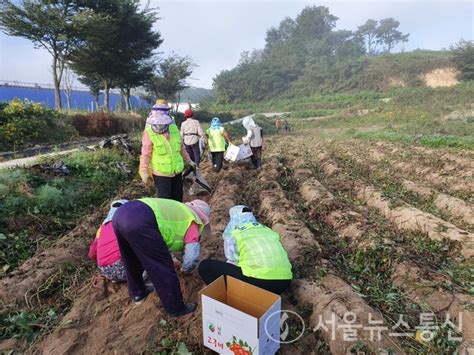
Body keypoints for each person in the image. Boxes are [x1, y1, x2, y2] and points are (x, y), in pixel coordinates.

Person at [112, 198, 211, 317]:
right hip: (140, 220)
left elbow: (163, 235)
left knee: (131, 258)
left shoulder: (177, 209)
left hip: (120, 214)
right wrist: (186, 269)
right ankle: (176, 308)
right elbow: (191, 257)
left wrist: (174, 258)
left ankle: (138, 293)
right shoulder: (192, 221)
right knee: (162, 267)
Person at [198, 205, 292, 295]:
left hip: (260, 282)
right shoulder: (268, 231)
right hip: (284, 282)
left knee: (205, 266)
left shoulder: (235, 233)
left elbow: (232, 261)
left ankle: (223, 299)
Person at [140, 100, 196, 201]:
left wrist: (189, 161)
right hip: (161, 174)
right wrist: (144, 171)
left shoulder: (173, 128)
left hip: (177, 172)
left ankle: (178, 216)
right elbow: (145, 154)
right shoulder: (148, 133)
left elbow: (181, 148)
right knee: (166, 201)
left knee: (178, 198)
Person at [88, 199, 129, 282]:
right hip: (127, 268)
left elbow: (91, 254)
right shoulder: (126, 222)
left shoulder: (101, 229)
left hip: (107, 273)